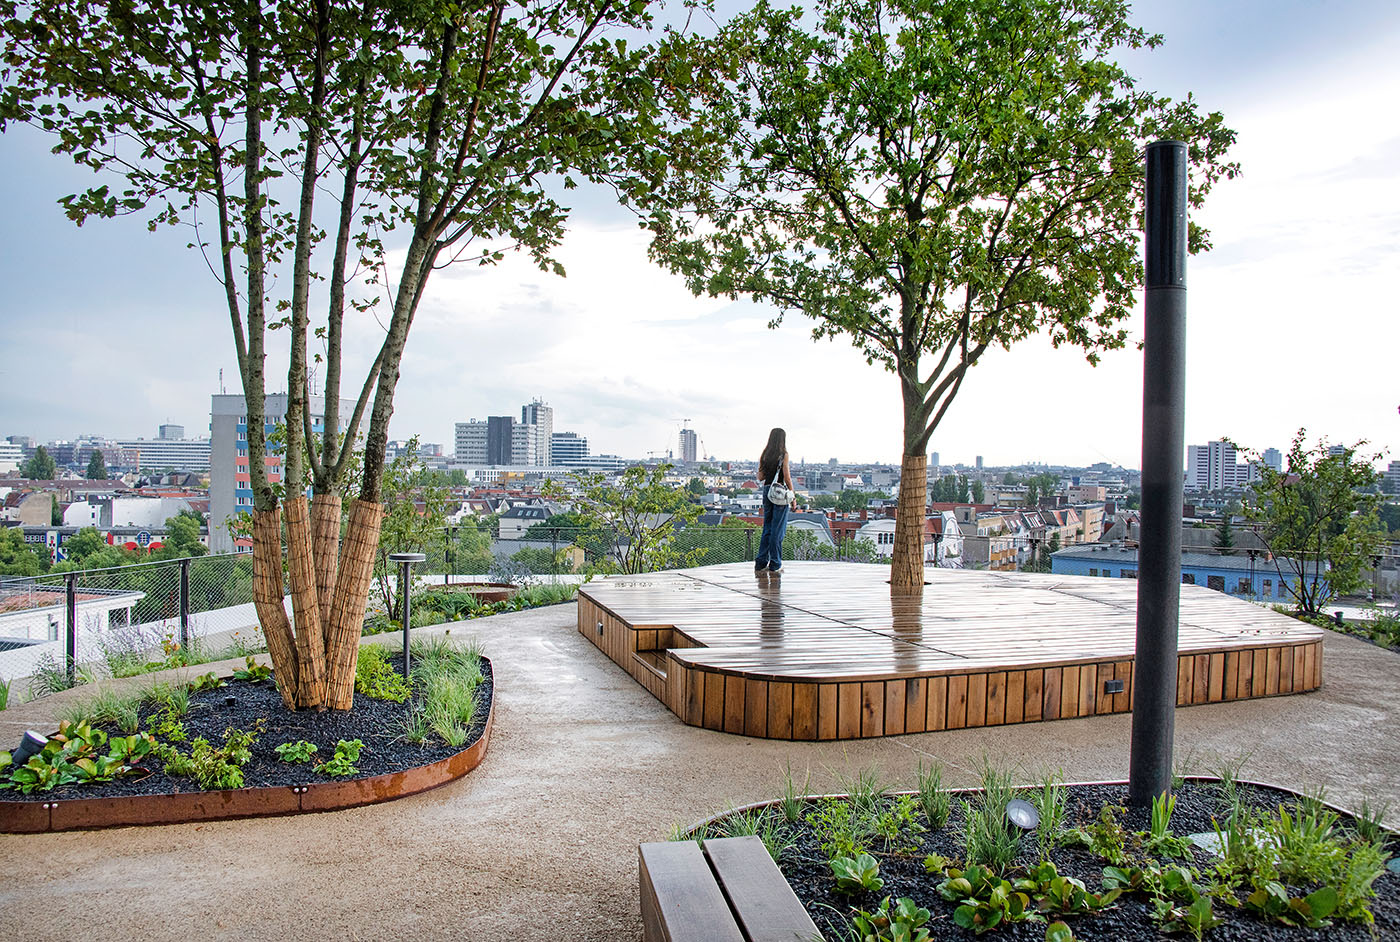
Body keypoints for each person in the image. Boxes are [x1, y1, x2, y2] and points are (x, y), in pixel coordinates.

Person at [755, 427, 793, 573]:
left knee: (768, 528)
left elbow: (760, 477)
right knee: (778, 529)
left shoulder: (765, 454)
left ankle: (761, 562)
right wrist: (792, 494)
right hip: (779, 492)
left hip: (767, 491)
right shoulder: (783, 454)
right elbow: (786, 476)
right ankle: (775, 563)